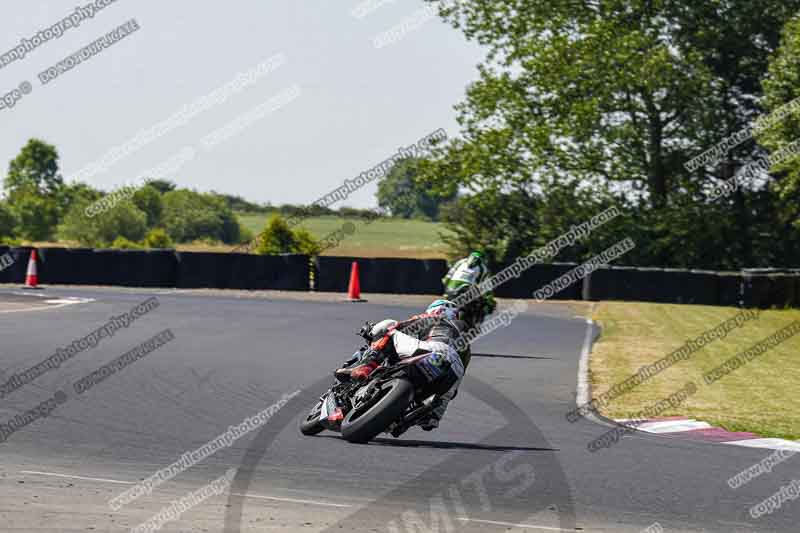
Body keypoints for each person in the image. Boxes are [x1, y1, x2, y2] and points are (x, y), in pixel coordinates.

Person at [336, 300, 467, 431]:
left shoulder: (433, 318)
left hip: (433, 351)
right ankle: (431, 415)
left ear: (437, 310)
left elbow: (399, 327)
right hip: (450, 372)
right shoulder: (466, 345)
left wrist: (371, 330)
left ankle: (367, 366)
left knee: (389, 328)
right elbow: (456, 381)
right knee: (447, 389)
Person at [442, 251, 496, 327]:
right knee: (480, 302)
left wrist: (446, 291)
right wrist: (488, 298)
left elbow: (446, 278)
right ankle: (472, 324)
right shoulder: (483, 268)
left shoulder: (460, 262)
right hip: (467, 290)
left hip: (450, 290)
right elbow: (484, 286)